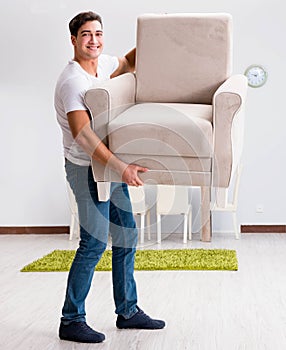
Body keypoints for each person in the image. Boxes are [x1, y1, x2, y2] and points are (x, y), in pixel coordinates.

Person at [54, 11, 165, 344]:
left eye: (99, 34)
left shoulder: (103, 66)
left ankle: (128, 312)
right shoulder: (73, 80)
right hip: (85, 166)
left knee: (127, 234)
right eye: (86, 34)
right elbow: (83, 135)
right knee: (94, 243)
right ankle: (71, 319)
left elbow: (127, 63)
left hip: (108, 164)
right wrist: (122, 167)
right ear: (73, 40)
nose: (94, 40)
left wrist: (156, 34)